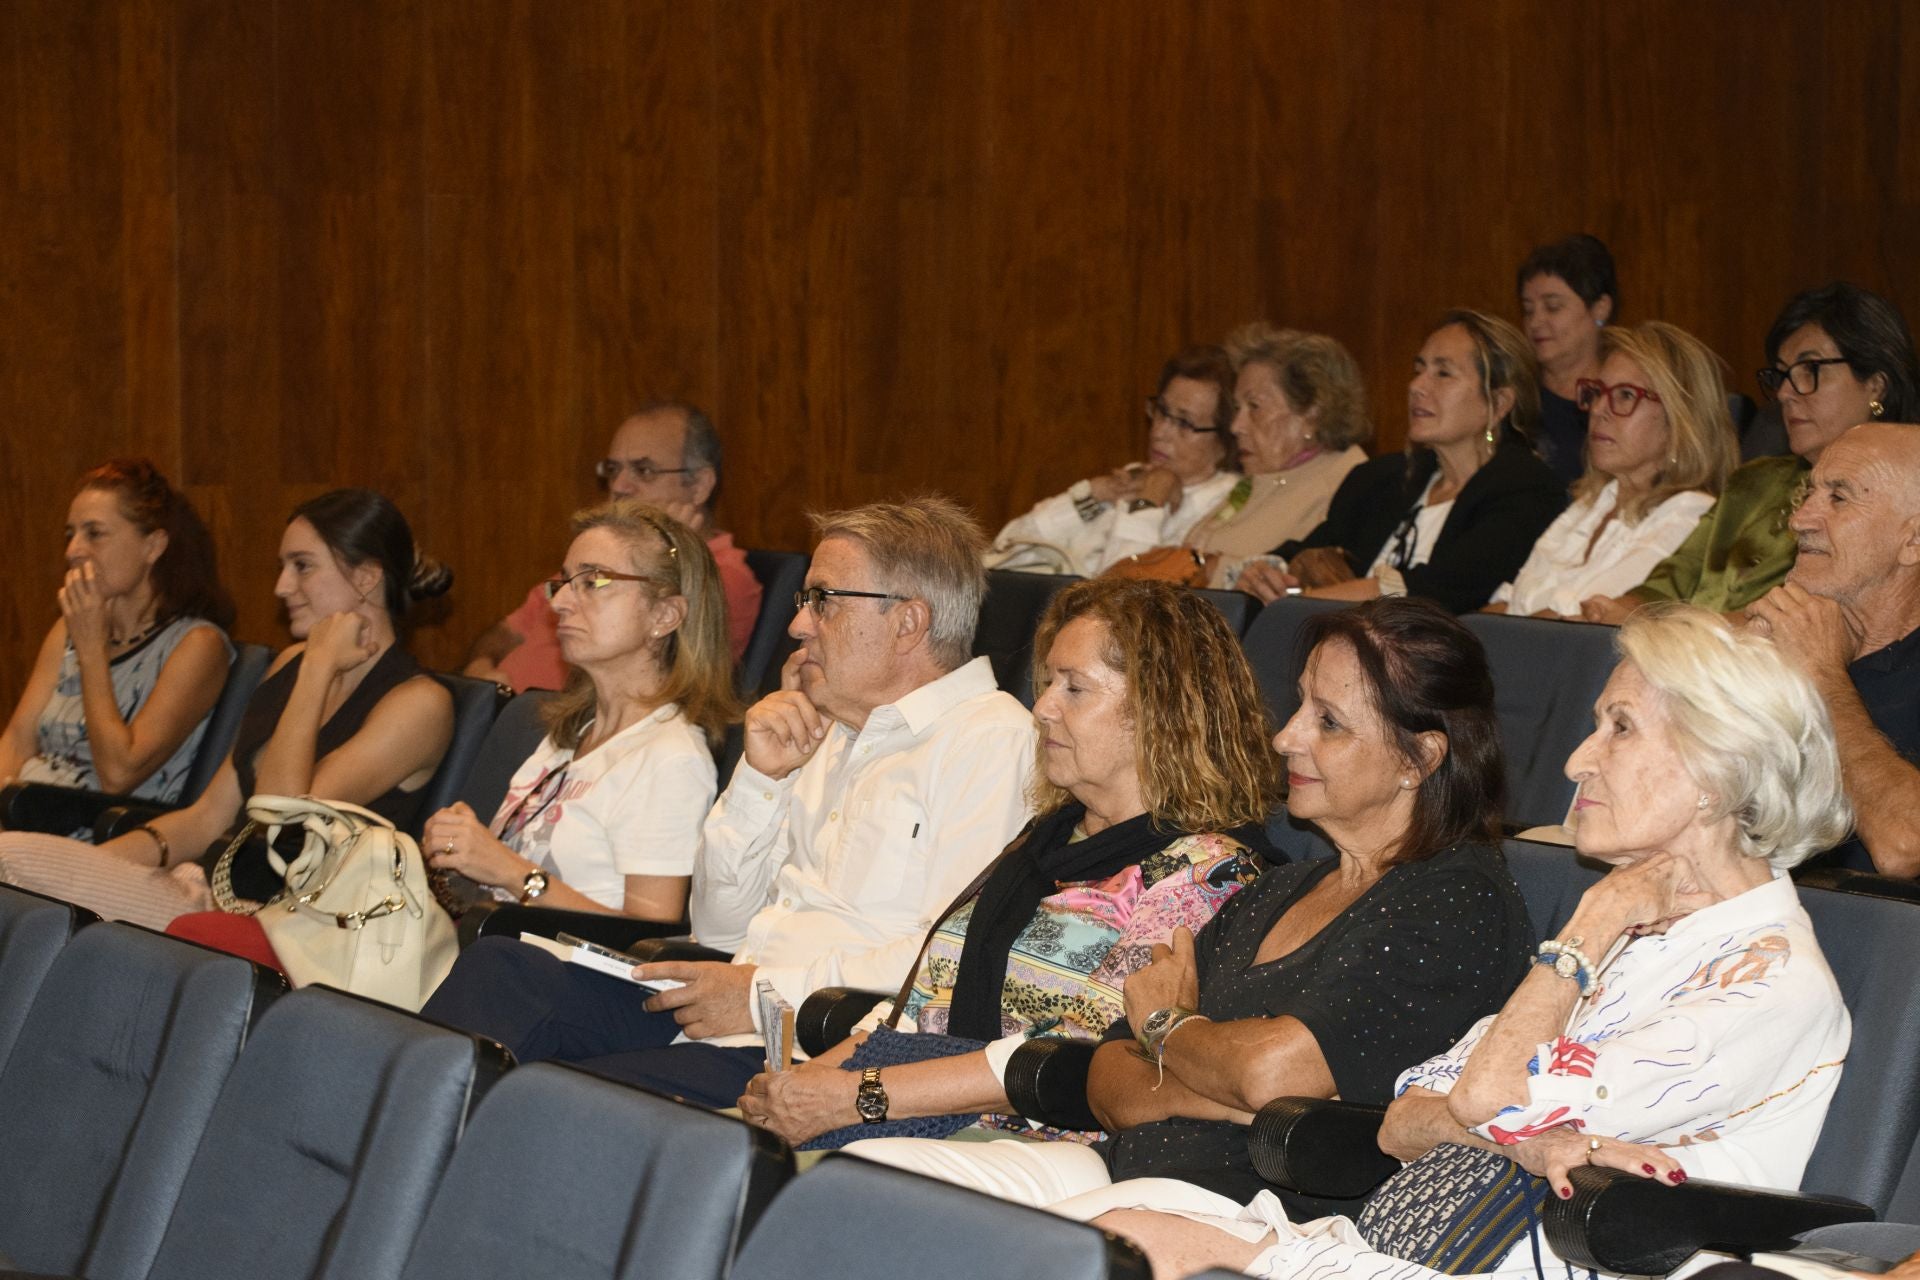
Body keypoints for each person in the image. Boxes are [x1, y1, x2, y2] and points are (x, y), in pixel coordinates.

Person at [1060, 606, 1851, 1280]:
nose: (1579, 760)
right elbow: (1405, 1117)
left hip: (1523, 1261)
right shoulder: (1642, 941)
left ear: (1717, 766)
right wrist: (1518, 1137)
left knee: (1128, 1250)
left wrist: (1585, 932)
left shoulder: (1771, 979)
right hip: (1409, 1242)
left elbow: (1478, 1098)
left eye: (1620, 729)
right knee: (1098, 1241)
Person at [841, 597, 1532, 1209]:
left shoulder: (1455, 897)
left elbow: (1272, 1071)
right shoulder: (1287, 887)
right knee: (865, 1175)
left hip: (1245, 1204)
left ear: (1420, 759)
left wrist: (1168, 1028)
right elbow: (1109, 1077)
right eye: (1298, 707)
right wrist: (1224, 1088)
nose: (1286, 736)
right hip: (1115, 1164)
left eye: (1329, 722)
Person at [420, 496, 1036, 1108]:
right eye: (803, 601)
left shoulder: (989, 738)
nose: (799, 626)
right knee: (503, 969)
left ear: (909, 621)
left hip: (822, 1048)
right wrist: (759, 779)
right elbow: (719, 929)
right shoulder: (825, 728)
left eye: (823, 600)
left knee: (561, 1101)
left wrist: (759, 991)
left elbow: (946, 966)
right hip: (734, 1010)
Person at [735, 578, 1282, 1149]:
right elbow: (919, 1009)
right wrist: (808, 1084)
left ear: (1163, 710)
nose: (1042, 707)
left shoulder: (1205, 872)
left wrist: (855, 1097)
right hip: (913, 1121)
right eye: (1047, 684)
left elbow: (1071, 1057)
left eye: (1075, 688)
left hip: (1037, 1150)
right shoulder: (1043, 839)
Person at [0, 489, 456, 930]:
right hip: (207, 891)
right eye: (283, 567)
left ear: (366, 578)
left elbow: (284, 815)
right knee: (19, 870)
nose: (282, 587)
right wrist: (89, 867)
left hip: (290, 923)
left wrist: (317, 668)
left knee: (10, 863)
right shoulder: (290, 664)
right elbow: (207, 817)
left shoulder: (418, 705)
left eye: (302, 567)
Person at [423, 502, 738, 918]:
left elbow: (644, 941)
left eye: (593, 582)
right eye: (566, 582)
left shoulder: (670, 757)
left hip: (568, 980)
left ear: (664, 615)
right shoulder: (567, 734)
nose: (560, 603)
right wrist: (462, 847)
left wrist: (511, 871)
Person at [1584, 282, 1919, 623]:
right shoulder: (1754, 482)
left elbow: (1819, 621)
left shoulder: (1896, 498)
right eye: (1782, 375)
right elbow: (1664, 587)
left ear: (1876, 384)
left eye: (1810, 370)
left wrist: (1671, 630)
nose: (1786, 392)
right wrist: (1604, 613)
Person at [1240, 311, 1566, 612]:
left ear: (1499, 402)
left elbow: (1444, 589)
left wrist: (1300, 605)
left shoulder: (1527, 490)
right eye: (1419, 369)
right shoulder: (1381, 478)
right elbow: (1306, 549)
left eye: (1443, 373)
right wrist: (1268, 573)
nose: (1416, 386)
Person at [463, 401, 764, 689]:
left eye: (643, 470)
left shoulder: (723, 576)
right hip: (501, 714)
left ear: (699, 485)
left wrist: (674, 553)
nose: (619, 486)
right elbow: (505, 633)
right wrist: (480, 665)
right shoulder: (592, 560)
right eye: (613, 469)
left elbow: (658, 680)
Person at [0, 459, 235, 808]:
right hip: (25, 816)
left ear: (153, 546)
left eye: (94, 533)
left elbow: (119, 774)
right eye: (71, 534)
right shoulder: (68, 628)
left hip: (104, 832)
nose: (73, 551)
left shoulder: (199, 645)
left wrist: (92, 650)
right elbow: (18, 740)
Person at [1747, 422, 1920, 877]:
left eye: (1838, 498)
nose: (1799, 519)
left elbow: (1904, 843)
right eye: (1808, 495)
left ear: (1913, 541)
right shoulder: (1780, 635)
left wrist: (1822, 679)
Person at [1487, 322, 1737, 618]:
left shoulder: (1692, 516)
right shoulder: (1593, 502)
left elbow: (1588, 627)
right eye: (1597, 392)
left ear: (1680, 418)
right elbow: (1507, 603)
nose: (1597, 409)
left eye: (1626, 395)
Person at [988, 347, 1241, 575]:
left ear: (1225, 442)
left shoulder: (1226, 508)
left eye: (1184, 423)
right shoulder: (1134, 476)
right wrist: (1090, 498)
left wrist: (1148, 502)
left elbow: (1120, 597)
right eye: (1162, 411)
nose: (1159, 432)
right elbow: (1003, 551)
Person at [1175, 325, 1371, 589]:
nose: (1236, 426)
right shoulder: (1266, 475)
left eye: (1254, 406)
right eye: (1237, 407)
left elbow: (1301, 587)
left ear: (1312, 412)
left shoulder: (1350, 486)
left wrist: (1210, 568)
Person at [1517, 234, 1618, 484]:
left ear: (1600, 308)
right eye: (1528, 310)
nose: (1536, 322)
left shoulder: (1627, 401)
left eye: (1553, 307)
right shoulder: (1515, 401)